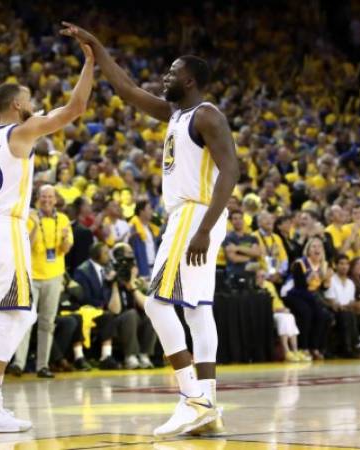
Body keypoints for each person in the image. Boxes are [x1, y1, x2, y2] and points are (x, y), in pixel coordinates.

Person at [62, 22, 239, 436]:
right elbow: (128, 90)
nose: (166, 77)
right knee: (197, 310)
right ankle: (207, 403)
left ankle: (191, 397)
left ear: (191, 80)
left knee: (157, 304)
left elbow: (231, 171)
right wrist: (96, 48)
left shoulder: (206, 114)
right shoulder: (176, 113)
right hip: (195, 217)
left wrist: (202, 229)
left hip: (195, 214)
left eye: (173, 73)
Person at [0, 38, 94, 433]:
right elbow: (75, 109)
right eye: (30, 98)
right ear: (19, 107)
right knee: (16, 314)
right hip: (5, 229)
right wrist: (90, 61)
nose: (35, 103)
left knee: (18, 313)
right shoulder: (20, 131)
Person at [10, 184, 73, 379]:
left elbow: (66, 248)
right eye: (43, 197)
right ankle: (18, 363)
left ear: (56, 200)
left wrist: (64, 239)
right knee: (25, 320)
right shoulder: (28, 217)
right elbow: (25, 245)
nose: (46, 200)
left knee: (47, 322)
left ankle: (42, 365)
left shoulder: (63, 219)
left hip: (54, 276)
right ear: (37, 198)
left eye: (50, 197)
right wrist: (36, 225)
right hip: (32, 276)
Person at [73, 242, 125, 370]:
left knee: (110, 316)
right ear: (97, 255)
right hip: (86, 310)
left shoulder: (108, 268)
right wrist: (102, 305)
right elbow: (83, 297)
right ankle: (93, 357)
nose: (109, 256)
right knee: (106, 316)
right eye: (106, 253)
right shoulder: (82, 271)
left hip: (103, 310)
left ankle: (107, 357)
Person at [283, 237, 334, 360]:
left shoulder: (324, 265)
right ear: (308, 250)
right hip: (292, 293)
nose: (317, 249)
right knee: (306, 312)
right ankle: (303, 347)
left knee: (323, 315)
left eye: (319, 247)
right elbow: (300, 286)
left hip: (309, 295)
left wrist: (326, 282)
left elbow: (321, 288)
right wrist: (309, 279)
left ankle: (316, 347)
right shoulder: (300, 263)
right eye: (314, 246)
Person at [255, 269, 304, 362]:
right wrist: (278, 310)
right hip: (271, 313)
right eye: (259, 276)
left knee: (290, 317)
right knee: (283, 319)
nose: (261, 279)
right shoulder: (255, 289)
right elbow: (262, 308)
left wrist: (284, 308)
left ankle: (295, 350)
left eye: (263, 276)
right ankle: (286, 352)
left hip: (280, 310)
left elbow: (277, 300)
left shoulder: (269, 285)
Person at [324, 254, 360, 358]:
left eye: (347, 264)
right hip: (334, 310)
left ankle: (359, 346)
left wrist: (357, 305)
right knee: (346, 315)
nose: (344, 266)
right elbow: (331, 301)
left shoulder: (351, 283)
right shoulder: (332, 280)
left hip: (347, 310)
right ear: (336, 265)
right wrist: (345, 306)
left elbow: (351, 302)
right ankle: (349, 348)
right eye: (341, 264)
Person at [223, 209, 261, 279]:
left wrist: (237, 248)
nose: (238, 221)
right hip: (235, 275)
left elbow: (257, 253)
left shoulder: (252, 238)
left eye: (240, 218)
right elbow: (234, 258)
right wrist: (251, 258)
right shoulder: (228, 238)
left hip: (252, 275)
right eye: (235, 219)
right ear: (231, 222)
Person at [128, 200, 159, 279]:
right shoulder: (133, 229)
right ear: (141, 211)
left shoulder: (151, 228)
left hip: (154, 269)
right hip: (142, 273)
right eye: (149, 209)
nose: (152, 211)